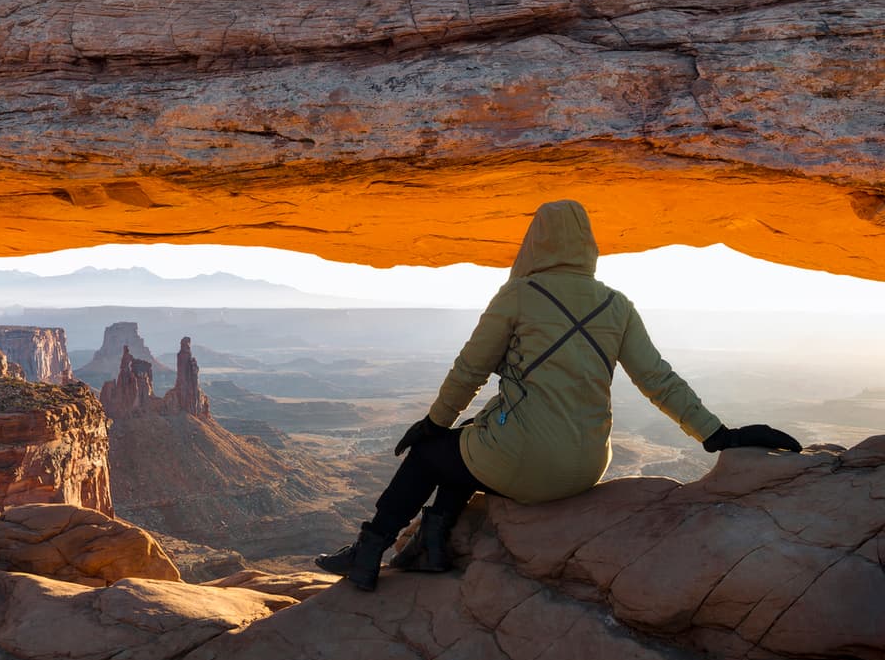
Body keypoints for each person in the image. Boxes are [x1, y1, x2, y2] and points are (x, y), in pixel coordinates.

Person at [315, 200, 803, 591]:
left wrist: (435, 422)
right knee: (468, 446)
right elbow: (658, 379)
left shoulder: (520, 294)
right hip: (587, 468)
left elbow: (470, 369)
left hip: (525, 462)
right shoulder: (617, 304)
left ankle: (368, 550)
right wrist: (716, 435)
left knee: (431, 453)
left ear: (536, 241)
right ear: (588, 244)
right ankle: (433, 543)